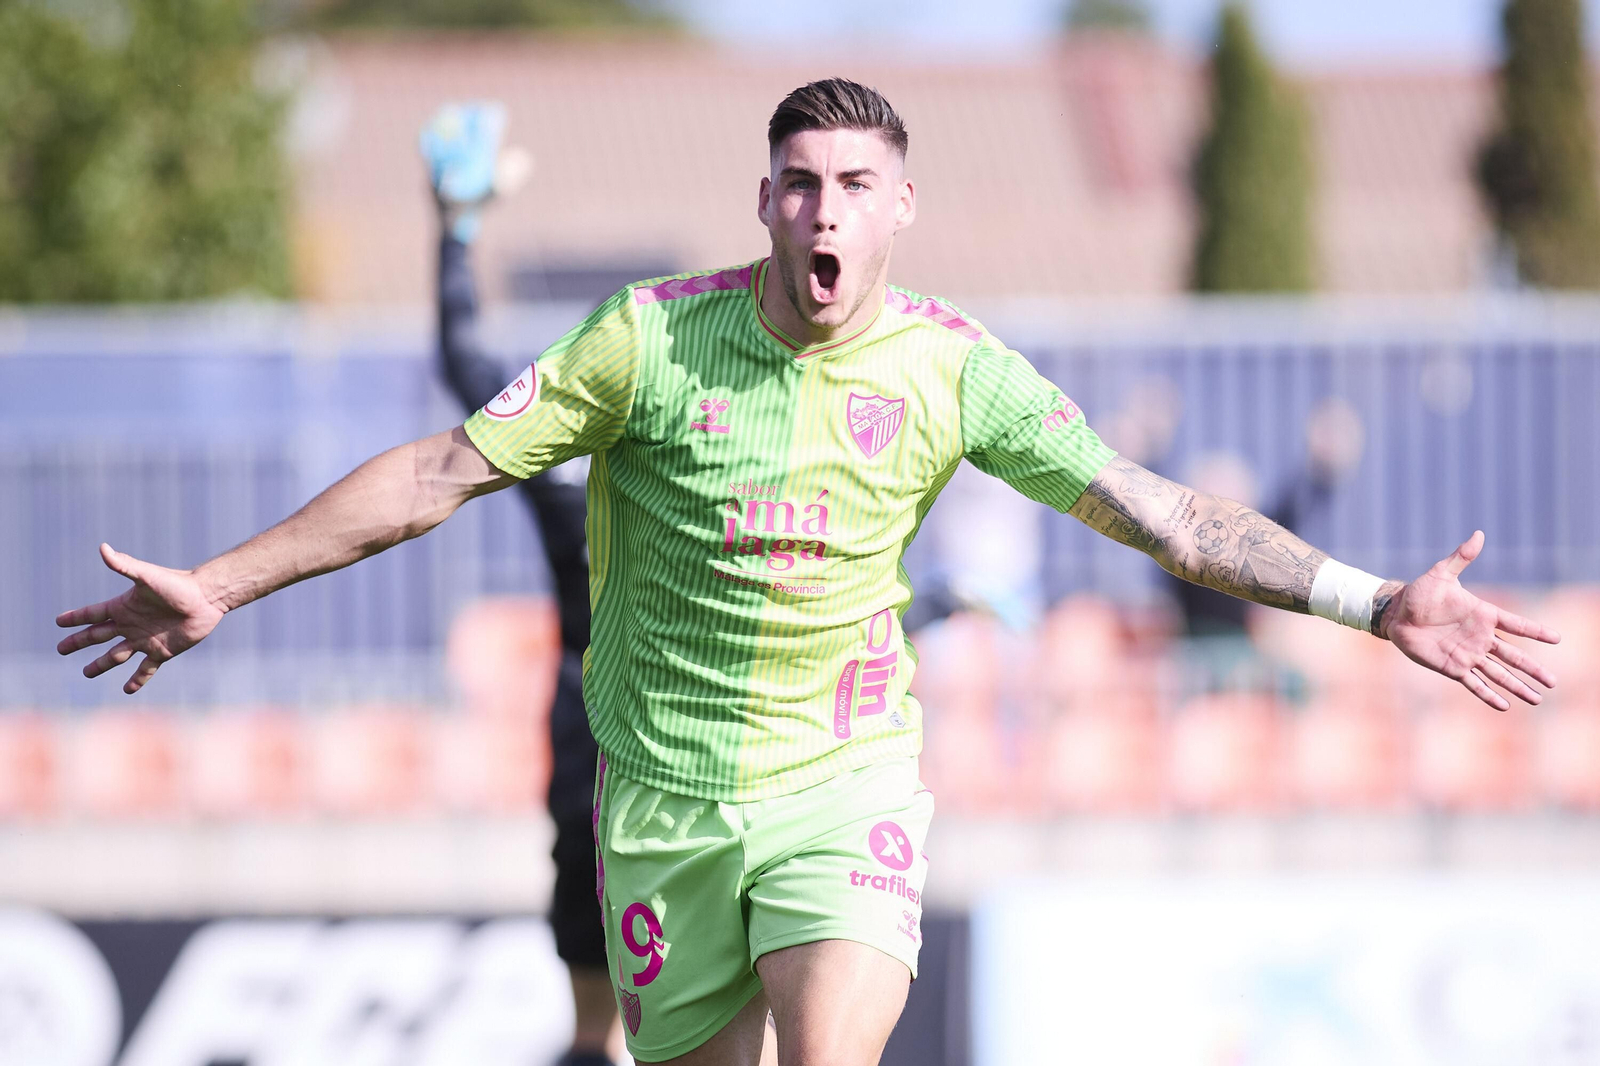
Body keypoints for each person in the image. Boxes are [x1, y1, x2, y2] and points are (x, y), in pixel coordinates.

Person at [57, 79, 1560, 1066]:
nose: (825, 208)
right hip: (658, 803)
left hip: (841, 782)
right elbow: (443, 472)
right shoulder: (648, 341)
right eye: (798, 181)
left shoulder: (953, 370)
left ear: (899, 207)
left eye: (854, 181)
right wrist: (227, 581)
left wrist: (1375, 601)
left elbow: (1160, 513)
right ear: (762, 201)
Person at [420, 101, 620, 1066]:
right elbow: (464, 363)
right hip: (607, 716)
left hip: (638, 723)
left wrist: (457, 230)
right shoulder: (575, 461)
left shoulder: (587, 466)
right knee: (599, 961)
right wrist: (454, 232)